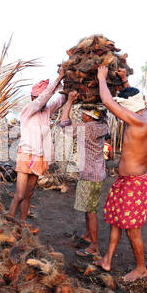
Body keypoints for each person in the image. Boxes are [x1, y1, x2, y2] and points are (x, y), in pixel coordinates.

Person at [94, 65, 147, 282]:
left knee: (132, 230)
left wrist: (102, 78)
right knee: (116, 222)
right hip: (126, 181)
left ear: (129, 108)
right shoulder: (144, 115)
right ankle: (107, 260)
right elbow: (133, 99)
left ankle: (141, 268)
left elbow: (109, 102)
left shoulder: (138, 122)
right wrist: (124, 79)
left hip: (134, 184)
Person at [7, 68, 73, 223]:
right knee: (19, 195)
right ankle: (9, 221)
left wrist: (67, 84)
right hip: (26, 155)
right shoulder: (28, 110)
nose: (42, 101)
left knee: (29, 195)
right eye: (38, 97)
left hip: (39, 156)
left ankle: (22, 223)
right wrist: (58, 77)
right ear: (32, 97)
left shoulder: (46, 111)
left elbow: (59, 100)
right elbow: (44, 98)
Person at [59, 94, 109, 257]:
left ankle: (94, 246)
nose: (81, 115)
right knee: (90, 208)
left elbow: (64, 124)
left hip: (89, 174)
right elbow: (103, 116)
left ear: (89, 116)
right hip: (97, 173)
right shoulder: (102, 125)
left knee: (90, 211)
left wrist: (70, 102)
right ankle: (88, 235)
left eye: (83, 113)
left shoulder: (87, 129)